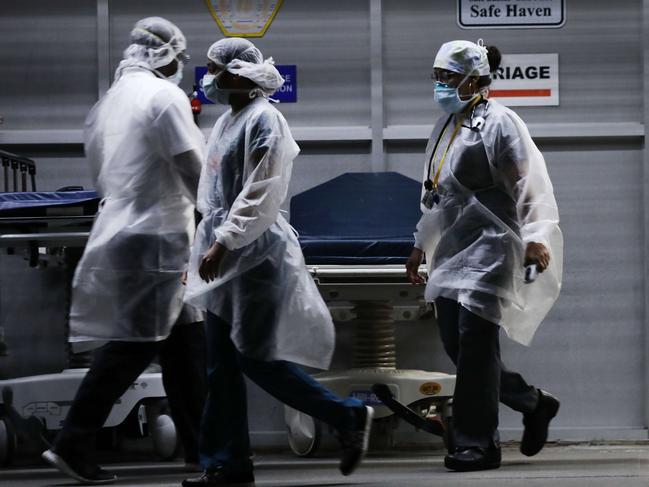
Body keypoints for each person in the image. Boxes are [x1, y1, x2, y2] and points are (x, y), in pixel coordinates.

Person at [182, 38, 373, 487]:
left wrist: (225, 241)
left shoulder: (266, 119)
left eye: (212, 69)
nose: (206, 77)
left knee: (255, 359)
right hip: (226, 255)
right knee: (221, 364)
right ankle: (227, 464)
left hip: (253, 257)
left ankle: (347, 417)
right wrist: (204, 245)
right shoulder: (230, 120)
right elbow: (213, 194)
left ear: (236, 73)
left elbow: (262, 190)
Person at [41, 17, 207, 484]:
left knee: (186, 345)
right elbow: (191, 167)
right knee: (136, 343)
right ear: (167, 53)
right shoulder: (163, 97)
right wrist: (221, 219)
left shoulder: (110, 102)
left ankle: (202, 449)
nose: (181, 65)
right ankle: (73, 442)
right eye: (181, 56)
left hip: (127, 228)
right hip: (158, 234)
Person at [405, 40, 564, 472]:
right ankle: (532, 403)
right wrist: (421, 242)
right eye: (437, 77)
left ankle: (477, 444)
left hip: (495, 245)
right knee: (459, 346)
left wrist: (536, 237)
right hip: (455, 247)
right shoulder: (445, 127)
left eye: (449, 78)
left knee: (476, 342)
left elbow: (528, 184)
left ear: (476, 79)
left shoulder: (501, 123)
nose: (441, 85)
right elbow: (436, 195)